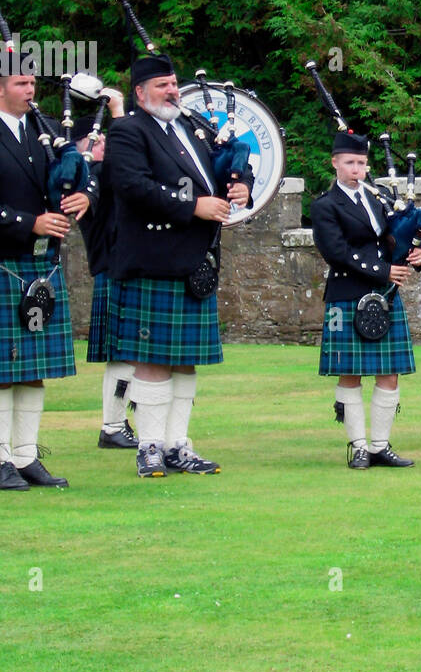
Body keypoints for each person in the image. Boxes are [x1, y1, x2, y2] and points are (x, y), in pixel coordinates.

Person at [103, 54, 252, 479]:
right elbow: (132, 187)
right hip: (154, 258)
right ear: (139, 93)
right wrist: (193, 206)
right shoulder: (129, 131)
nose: (172, 90)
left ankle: (177, 445)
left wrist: (240, 183)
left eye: (173, 83)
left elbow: (224, 165)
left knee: (186, 360)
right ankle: (149, 447)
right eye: (162, 85)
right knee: (152, 358)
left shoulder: (188, 129)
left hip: (195, 262)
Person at [312, 129, 421, 469]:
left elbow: (393, 239)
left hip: (384, 296)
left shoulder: (378, 200)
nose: (357, 169)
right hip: (347, 294)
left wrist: (415, 255)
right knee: (351, 374)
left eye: (361, 162)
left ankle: (380, 445)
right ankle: (358, 446)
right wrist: (383, 271)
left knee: (389, 373)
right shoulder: (325, 206)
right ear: (335, 163)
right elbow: (337, 252)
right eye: (349, 162)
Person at [0, 68, 89, 491]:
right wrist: (27, 223)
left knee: (32, 369)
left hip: (41, 266)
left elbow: (77, 177)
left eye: (33, 83)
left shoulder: (46, 130)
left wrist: (83, 195)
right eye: (21, 84)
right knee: (2, 369)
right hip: (4, 259)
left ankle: (25, 455)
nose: (31, 90)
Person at [76, 88, 139, 450]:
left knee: (132, 354)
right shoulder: (94, 173)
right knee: (123, 354)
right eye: (102, 142)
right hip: (115, 268)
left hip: (121, 266)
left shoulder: (99, 174)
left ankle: (119, 423)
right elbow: (121, 165)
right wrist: (118, 112)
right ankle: (113, 427)